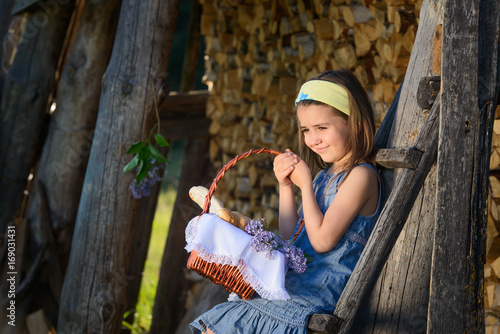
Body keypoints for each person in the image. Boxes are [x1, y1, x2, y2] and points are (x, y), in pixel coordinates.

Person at [189, 69, 382, 334]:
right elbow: (293, 234)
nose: (313, 139)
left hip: (321, 290)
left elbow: (323, 240)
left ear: (356, 123)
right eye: (306, 130)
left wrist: (305, 186)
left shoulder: (361, 176)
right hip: (296, 282)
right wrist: (286, 186)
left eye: (322, 128)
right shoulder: (324, 177)